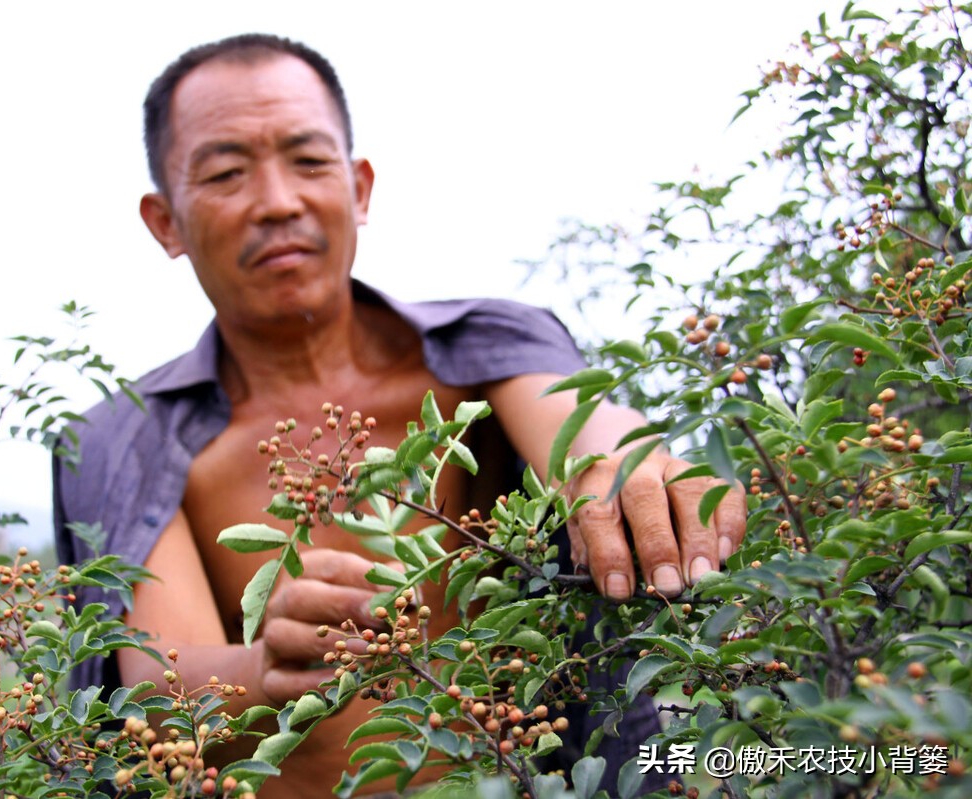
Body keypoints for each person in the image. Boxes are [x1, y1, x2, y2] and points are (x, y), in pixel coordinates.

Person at [54, 33, 746, 798]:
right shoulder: (128, 442)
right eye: (224, 173)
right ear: (166, 222)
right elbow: (157, 689)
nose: (279, 201)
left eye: (310, 162)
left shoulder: (487, 352)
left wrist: (636, 480)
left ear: (359, 188)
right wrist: (268, 663)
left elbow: (589, 442)